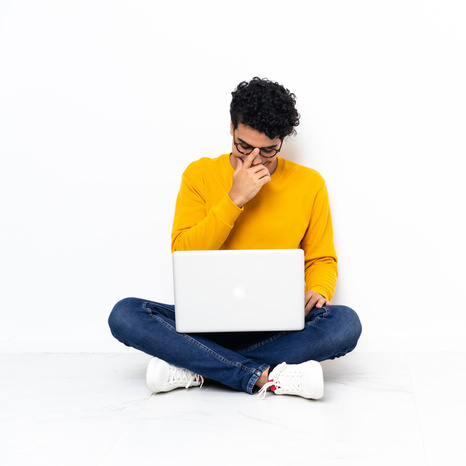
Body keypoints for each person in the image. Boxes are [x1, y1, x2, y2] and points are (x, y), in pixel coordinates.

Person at [108, 77, 362, 400]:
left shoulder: (309, 184)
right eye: (243, 146)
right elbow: (183, 253)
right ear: (231, 127)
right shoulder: (199, 175)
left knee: (345, 324)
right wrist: (234, 200)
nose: (254, 159)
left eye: (268, 151)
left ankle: (198, 365)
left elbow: (322, 259)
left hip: (277, 326)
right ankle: (264, 376)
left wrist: (319, 289)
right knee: (125, 315)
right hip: (204, 325)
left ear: (282, 141)